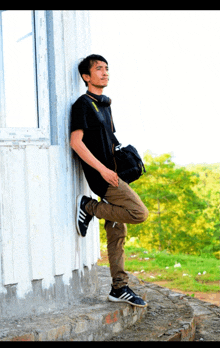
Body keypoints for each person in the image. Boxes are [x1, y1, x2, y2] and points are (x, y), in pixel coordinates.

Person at [70, 54, 149, 307]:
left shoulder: (104, 104)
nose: (105, 73)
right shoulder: (82, 104)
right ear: (86, 76)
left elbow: (110, 140)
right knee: (138, 213)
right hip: (102, 178)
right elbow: (76, 142)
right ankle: (89, 207)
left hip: (113, 173)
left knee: (117, 231)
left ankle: (119, 288)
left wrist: (127, 161)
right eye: (99, 69)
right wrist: (102, 170)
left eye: (107, 69)